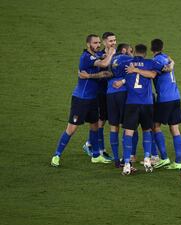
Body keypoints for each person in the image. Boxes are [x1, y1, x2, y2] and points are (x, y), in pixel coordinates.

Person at [51, 34, 115, 167]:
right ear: (88, 44)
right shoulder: (86, 57)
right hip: (81, 99)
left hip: (92, 99)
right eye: (95, 43)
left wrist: (95, 74)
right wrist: (111, 53)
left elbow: (102, 65)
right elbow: (104, 63)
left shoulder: (96, 55)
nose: (98, 45)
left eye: (98, 43)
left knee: (95, 125)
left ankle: (96, 155)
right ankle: (57, 155)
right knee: (71, 129)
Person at [113, 44, 165, 175]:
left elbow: (115, 69)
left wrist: (133, 72)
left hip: (131, 104)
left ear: (134, 52)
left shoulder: (127, 63)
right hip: (147, 103)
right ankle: (147, 159)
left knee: (128, 133)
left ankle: (126, 163)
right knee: (147, 130)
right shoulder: (150, 62)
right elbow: (155, 74)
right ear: (145, 53)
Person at [150, 39, 181, 170]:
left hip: (164, 100)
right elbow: (170, 65)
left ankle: (164, 158)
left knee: (155, 126)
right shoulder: (166, 57)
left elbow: (167, 69)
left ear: (152, 49)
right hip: (176, 97)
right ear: (162, 47)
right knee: (174, 129)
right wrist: (173, 62)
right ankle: (178, 162)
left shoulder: (156, 61)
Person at [82, 32, 117, 160]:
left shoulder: (116, 55)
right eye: (110, 41)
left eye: (114, 40)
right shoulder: (99, 56)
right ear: (104, 42)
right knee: (101, 120)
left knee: (104, 119)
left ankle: (90, 143)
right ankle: (101, 150)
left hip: (111, 92)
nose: (113, 43)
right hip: (101, 92)